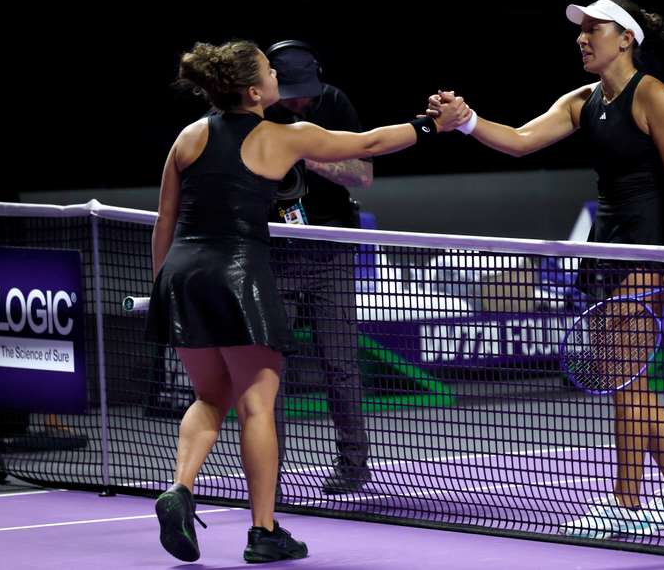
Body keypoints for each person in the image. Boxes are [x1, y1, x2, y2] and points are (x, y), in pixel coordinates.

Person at [146, 39, 469, 563]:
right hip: (240, 275)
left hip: (183, 275)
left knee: (209, 397)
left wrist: (163, 287)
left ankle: (179, 488)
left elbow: (165, 219)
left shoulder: (189, 136)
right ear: (255, 90)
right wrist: (435, 125)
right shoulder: (282, 137)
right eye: (270, 71)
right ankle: (264, 531)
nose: (277, 76)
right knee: (256, 407)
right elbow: (370, 143)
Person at [428, 0, 664, 539]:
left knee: (624, 377)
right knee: (629, 375)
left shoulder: (655, 97)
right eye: (580, 31)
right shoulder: (583, 101)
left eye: (594, 29)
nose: (582, 38)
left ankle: (627, 501)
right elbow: (519, 141)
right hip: (607, 245)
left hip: (647, 249)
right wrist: (466, 122)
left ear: (625, 38)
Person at [263, 40, 372, 495]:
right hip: (274, 251)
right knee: (270, 369)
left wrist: (301, 152)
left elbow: (362, 176)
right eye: (290, 93)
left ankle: (353, 465)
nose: (299, 101)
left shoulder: (334, 102)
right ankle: (268, 469)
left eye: (304, 92)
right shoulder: (254, 110)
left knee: (339, 363)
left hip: (331, 248)